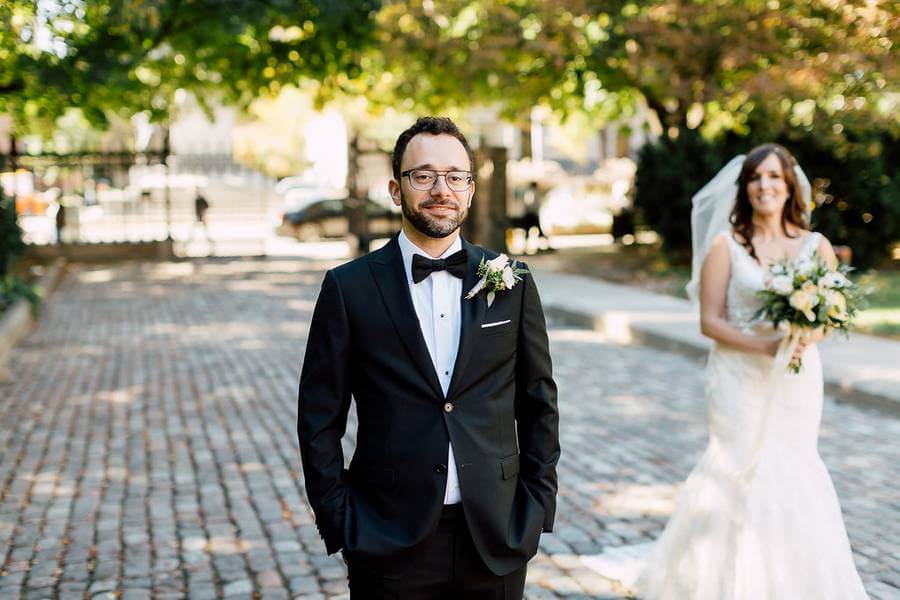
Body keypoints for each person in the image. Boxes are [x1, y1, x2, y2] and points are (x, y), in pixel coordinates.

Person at [297, 116, 559, 599]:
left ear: (471, 189)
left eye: (455, 176)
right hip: (388, 539)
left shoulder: (512, 282)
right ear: (397, 190)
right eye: (424, 175)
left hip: (496, 535)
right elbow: (319, 417)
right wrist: (340, 520)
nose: (442, 188)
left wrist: (537, 504)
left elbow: (538, 401)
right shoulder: (348, 288)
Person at [632, 144, 870, 599]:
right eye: (757, 178)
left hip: (796, 379)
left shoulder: (816, 246)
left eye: (774, 177)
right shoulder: (727, 246)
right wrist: (764, 345)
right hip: (737, 375)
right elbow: (710, 321)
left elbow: (830, 315)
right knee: (738, 464)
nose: (766, 186)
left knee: (793, 464)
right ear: (745, 189)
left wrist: (804, 339)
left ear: (789, 187)